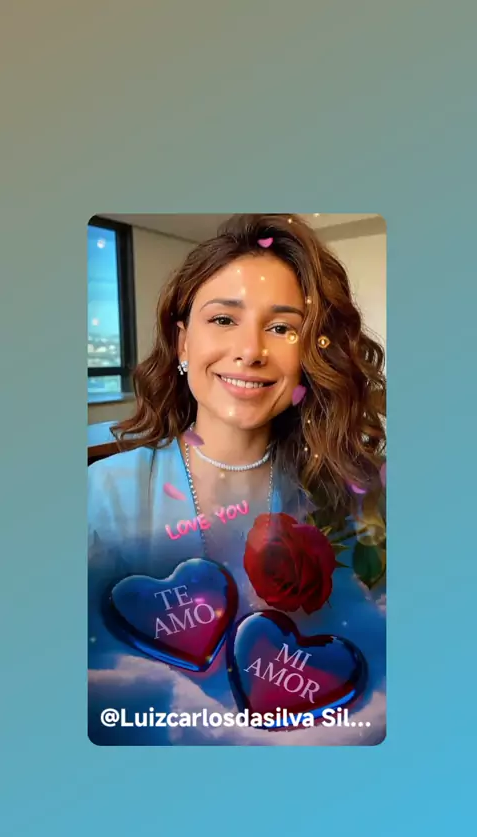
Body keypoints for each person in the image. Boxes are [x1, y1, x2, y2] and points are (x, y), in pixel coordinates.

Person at [88, 213, 386, 745]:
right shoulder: (99, 498)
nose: (251, 351)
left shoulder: (348, 496)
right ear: (182, 342)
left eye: (282, 327)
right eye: (224, 319)